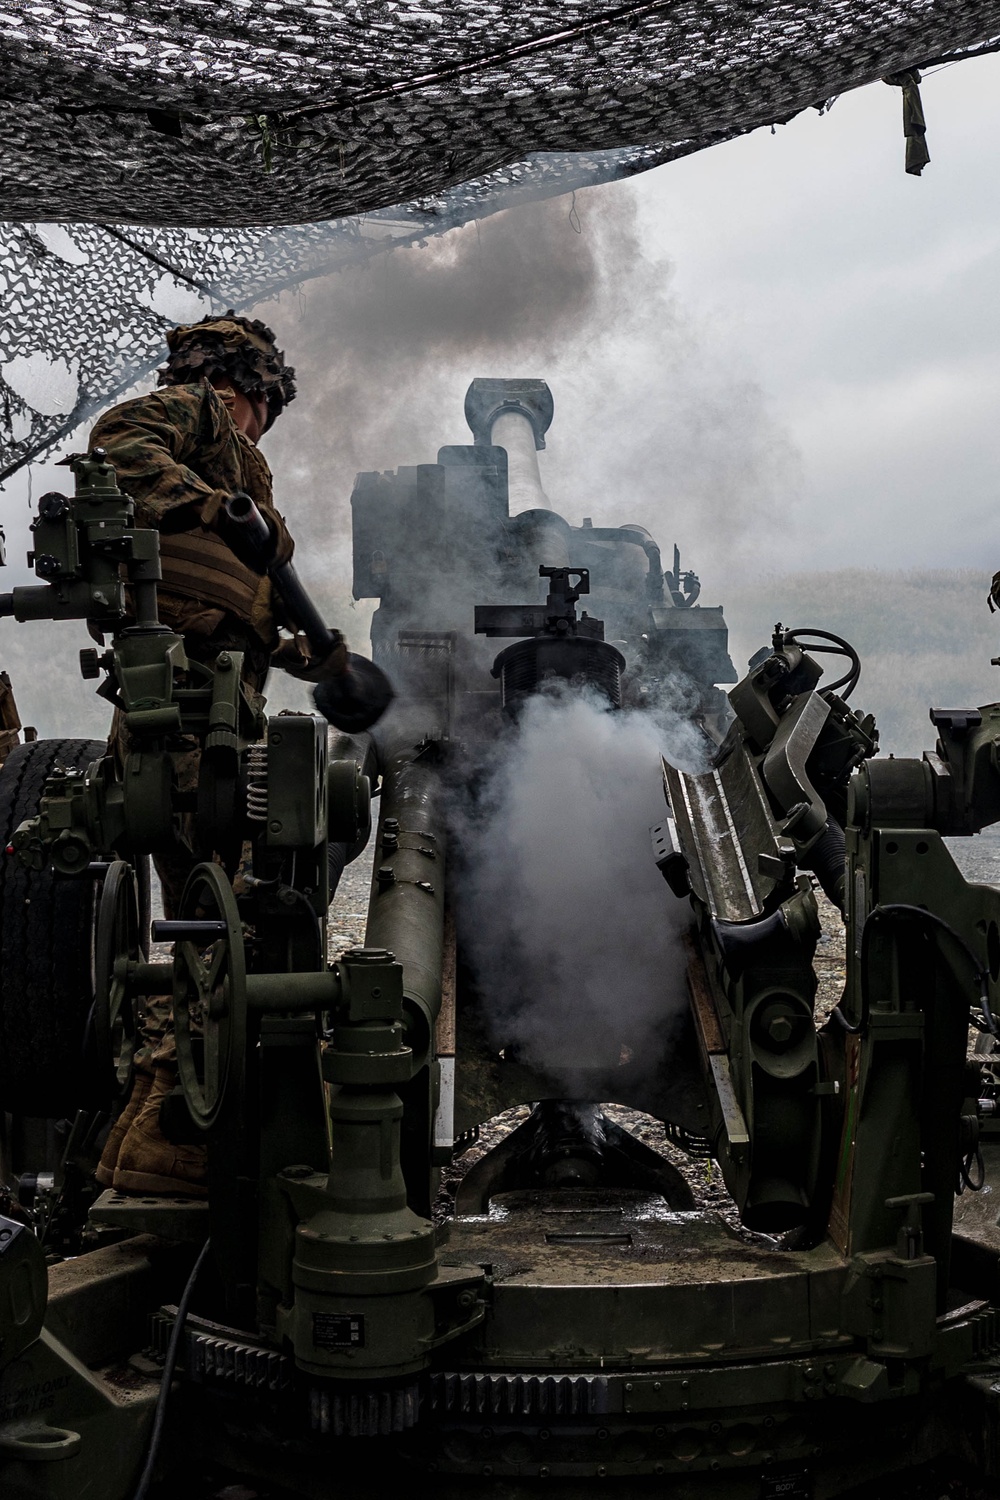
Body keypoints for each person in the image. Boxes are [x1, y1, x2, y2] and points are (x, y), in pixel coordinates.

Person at [91, 313, 346, 1197]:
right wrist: (211, 504)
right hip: (189, 706)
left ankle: (147, 1137)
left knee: (198, 913)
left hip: (214, 699)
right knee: (226, 912)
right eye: (265, 405)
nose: (265, 422)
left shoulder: (245, 480)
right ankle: (184, 1127)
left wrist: (315, 654)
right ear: (248, 390)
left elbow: (243, 603)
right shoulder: (197, 418)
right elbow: (116, 440)